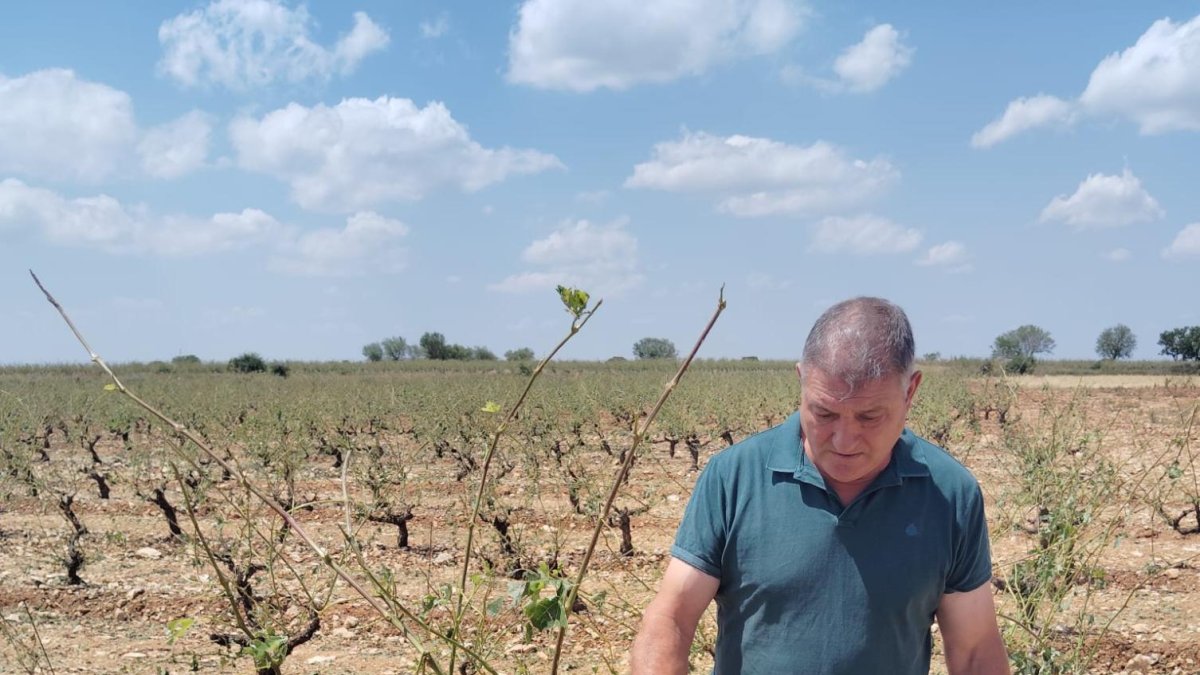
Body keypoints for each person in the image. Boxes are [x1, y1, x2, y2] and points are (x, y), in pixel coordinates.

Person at [631, 297, 1008, 674]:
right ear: (802, 380)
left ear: (910, 391)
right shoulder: (734, 477)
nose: (844, 441)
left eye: (869, 416)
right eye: (824, 413)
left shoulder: (949, 493)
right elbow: (672, 617)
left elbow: (975, 650)